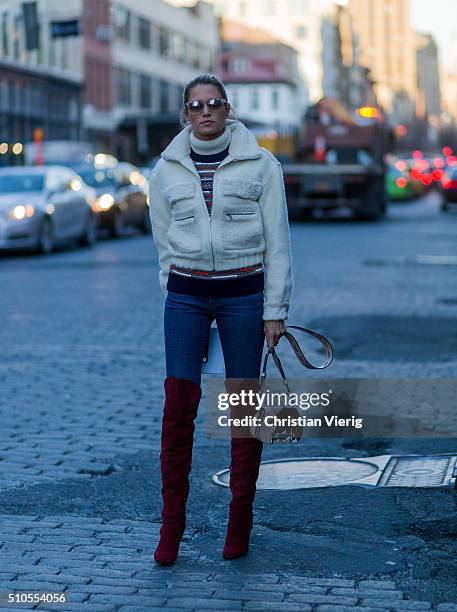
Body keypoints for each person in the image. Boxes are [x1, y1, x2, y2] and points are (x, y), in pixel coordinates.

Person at [149, 73, 293, 565]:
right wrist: (178, 294)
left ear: (228, 108)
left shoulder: (261, 163)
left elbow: (278, 242)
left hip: (243, 297)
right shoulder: (165, 170)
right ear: (185, 114)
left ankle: (239, 523)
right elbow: (163, 243)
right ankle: (171, 529)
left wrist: (274, 311)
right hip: (186, 299)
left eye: (214, 103)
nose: (205, 111)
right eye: (196, 105)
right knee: (177, 410)